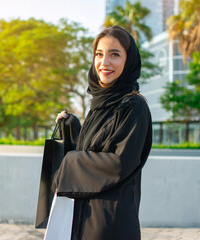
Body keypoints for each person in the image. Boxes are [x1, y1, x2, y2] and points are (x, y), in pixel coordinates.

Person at [52, 26, 152, 240]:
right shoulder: (100, 105)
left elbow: (119, 163)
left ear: (129, 60)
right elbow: (92, 148)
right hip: (83, 215)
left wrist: (71, 161)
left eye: (114, 54)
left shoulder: (133, 105)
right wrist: (72, 126)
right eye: (99, 54)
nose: (104, 63)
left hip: (111, 221)